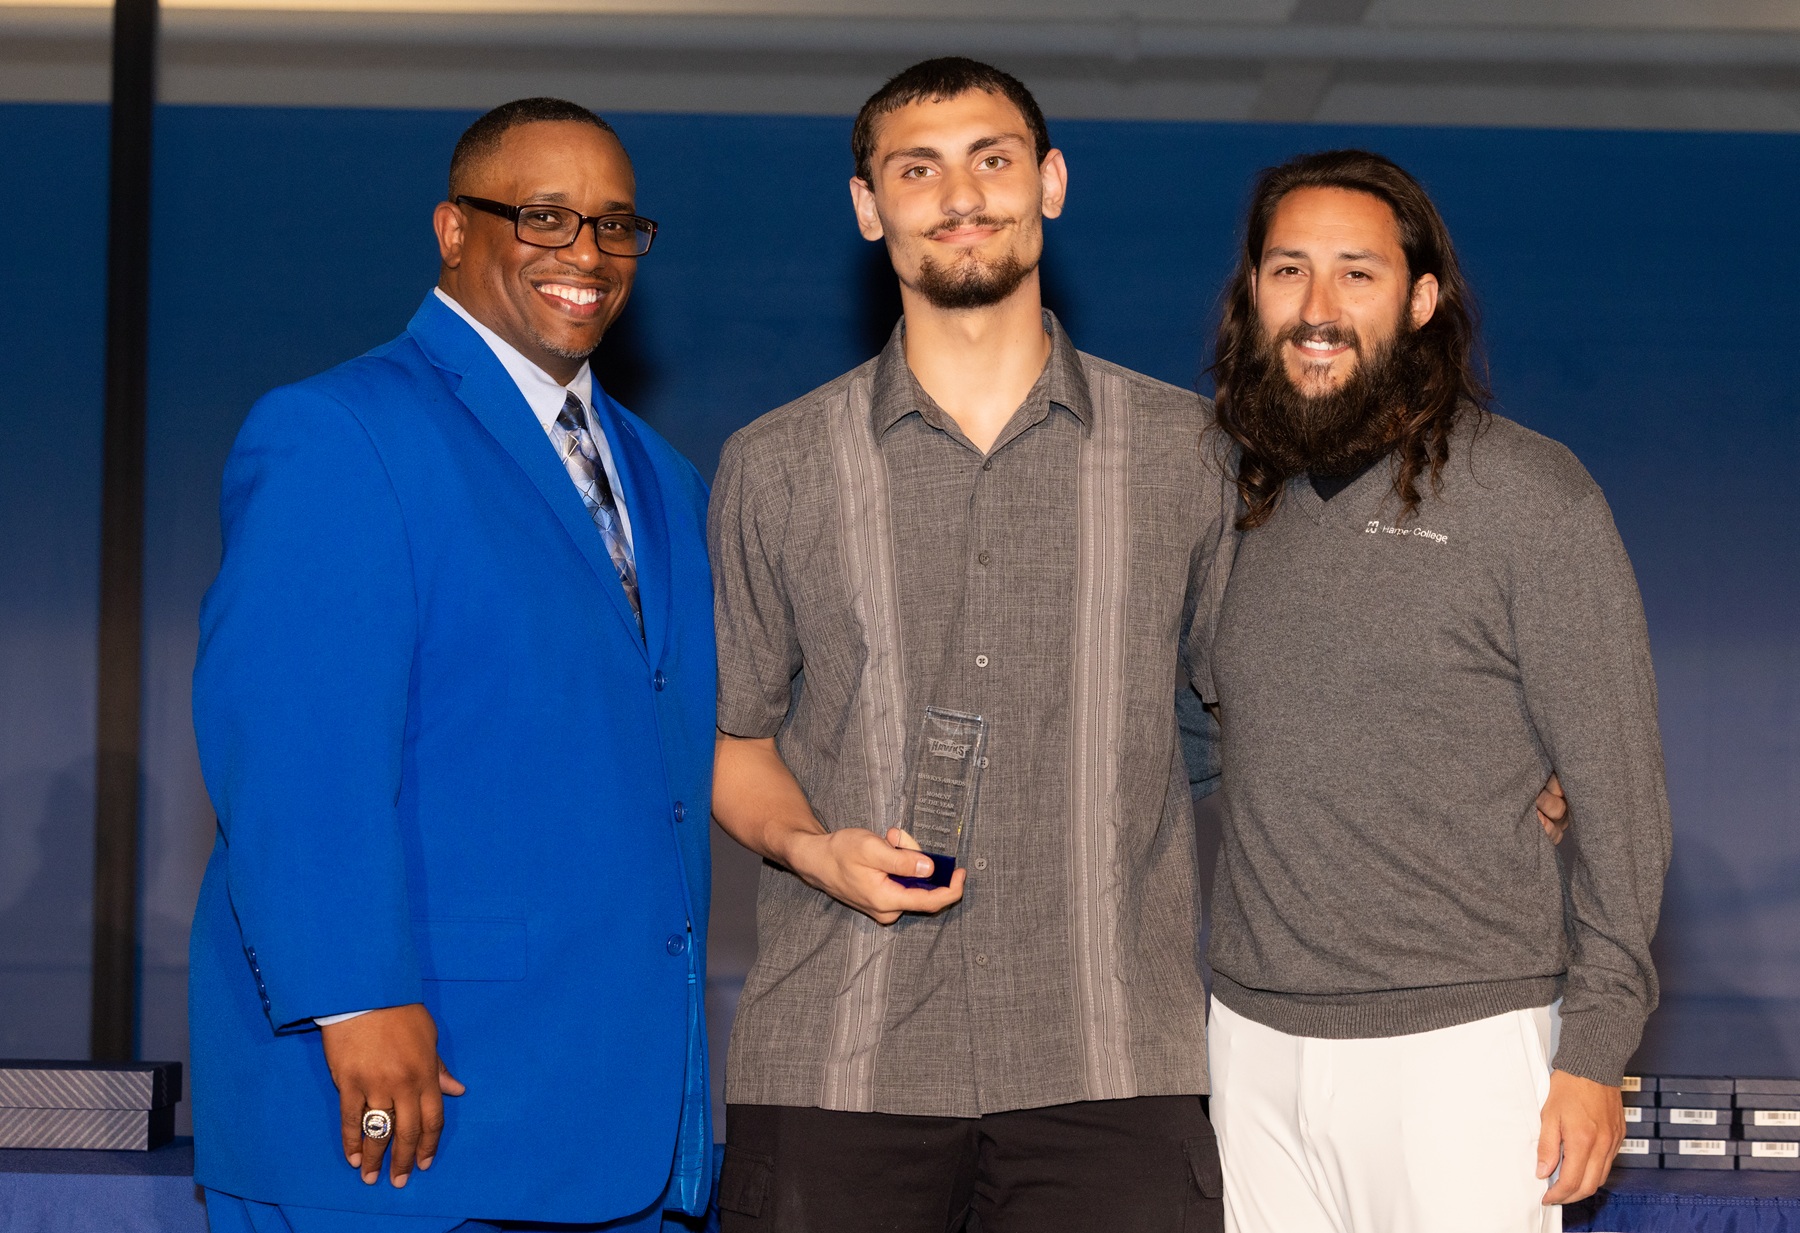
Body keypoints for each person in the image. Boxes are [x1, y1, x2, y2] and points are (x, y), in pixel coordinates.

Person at [706, 57, 1237, 1233]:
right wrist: (810, 848)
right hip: (840, 1058)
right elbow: (732, 743)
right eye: (918, 169)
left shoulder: (1188, 453)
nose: (961, 194)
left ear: (1049, 182)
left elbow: (1262, 724)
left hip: (1115, 1061)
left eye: (992, 159)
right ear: (868, 207)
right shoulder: (777, 464)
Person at [189, 98, 715, 1232]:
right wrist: (356, 996)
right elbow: (292, 748)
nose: (586, 253)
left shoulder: (665, 479)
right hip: (408, 1119)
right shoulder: (342, 431)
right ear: (452, 229)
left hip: (622, 1126)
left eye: (615, 225)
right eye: (543, 216)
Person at [1202, 149, 1671, 1232]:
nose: (1318, 309)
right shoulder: (1220, 500)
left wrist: (1594, 1050)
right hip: (1250, 1044)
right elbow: (1200, 738)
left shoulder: (1531, 499)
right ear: (1253, 297)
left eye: (1356, 274)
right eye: (1288, 271)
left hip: (1463, 1055)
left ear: (1420, 301)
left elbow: (1621, 801)